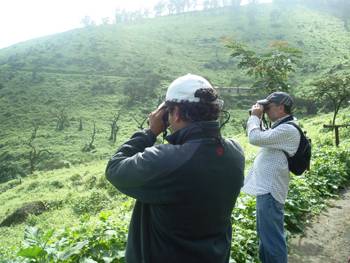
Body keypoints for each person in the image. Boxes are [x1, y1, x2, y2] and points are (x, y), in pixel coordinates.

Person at [105, 73, 245, 263]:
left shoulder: (167, 160)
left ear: (176, 113)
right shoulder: (235, 152)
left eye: (169, 112)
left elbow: (115, 168)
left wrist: (150, 132)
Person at [242, 91, 300, 263]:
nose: (265, 111)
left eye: (268, 107)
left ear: (281, 108)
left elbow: (254, 137)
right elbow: (263, 137)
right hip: (267, 190)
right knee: (266, 239)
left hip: (271, 192)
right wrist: (259, 119)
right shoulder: (282, 127)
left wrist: (254, 117)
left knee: (272, 241)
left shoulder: (288, 129)